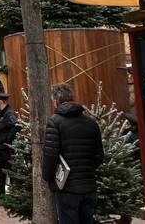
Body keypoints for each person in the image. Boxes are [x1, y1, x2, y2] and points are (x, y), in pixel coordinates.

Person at [43, 83, 104, 224]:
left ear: (55, 101)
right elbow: (99, 156)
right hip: (89, 187)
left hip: (67, 188)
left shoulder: (55, 122)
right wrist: (86, 170)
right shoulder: (91, 123)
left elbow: (50, 155)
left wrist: (49, 178)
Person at [0, 92, 20, 203]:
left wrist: (7, 140)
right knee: (0, 172)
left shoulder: (9, 113)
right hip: (2, 148)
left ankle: (15, 197)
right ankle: (1, 197)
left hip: (7, 149)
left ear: (1, 101)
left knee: (9, 172)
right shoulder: (3, 113)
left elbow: (17, 125)